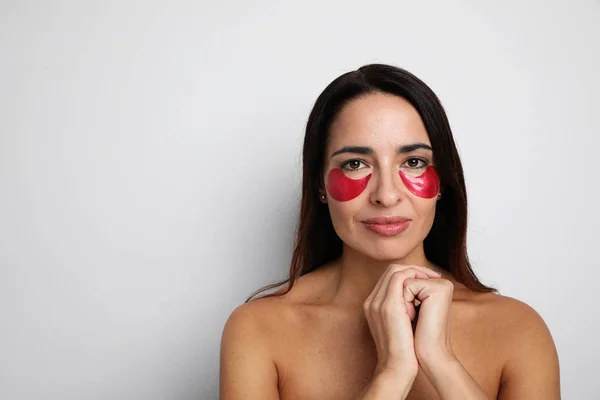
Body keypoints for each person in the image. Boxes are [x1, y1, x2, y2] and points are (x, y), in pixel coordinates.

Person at [219, 64, 560, 399]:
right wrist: (392, 372)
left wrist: (441, 361)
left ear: (443, 181)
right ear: (319, 184)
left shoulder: (518, 330)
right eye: (355, 163)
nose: (386, 195)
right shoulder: (259, 330)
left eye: (413, 162)